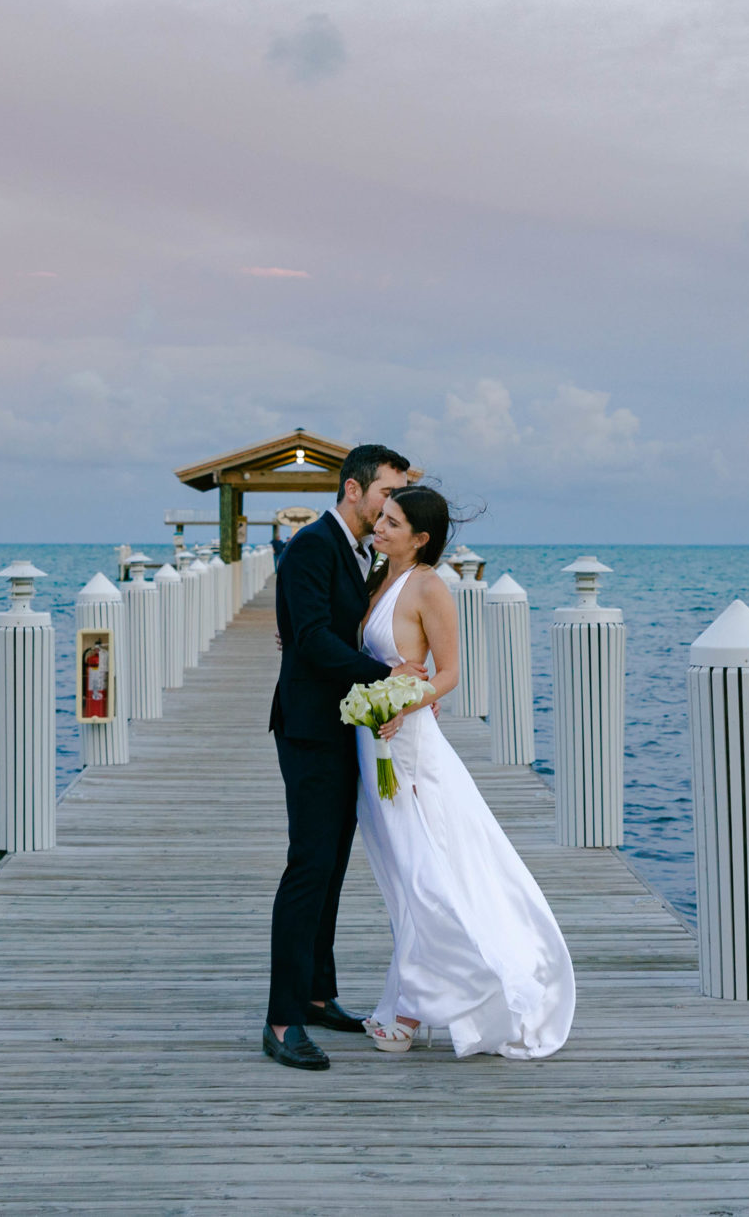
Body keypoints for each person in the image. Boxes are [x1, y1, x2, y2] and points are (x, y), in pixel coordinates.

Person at [353, 484, 574, 1058]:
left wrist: (405, 701)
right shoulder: (379, 576)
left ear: (421, 538)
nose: (380, 527)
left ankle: (416, 1007)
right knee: (400, 874)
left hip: (406, 742)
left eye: (394, 523)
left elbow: (449, 672)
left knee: (424, 872)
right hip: (371, 739)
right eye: (383, 517)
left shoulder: (430, 585)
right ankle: (412, 999)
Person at [262, 442, 413, 1070]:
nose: (391, 505)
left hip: (341, 726)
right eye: (386, 492)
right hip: (309, 729)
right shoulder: (312, 547)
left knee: (331, 869)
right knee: (309, 867)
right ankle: (282, 1019)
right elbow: (313, 638)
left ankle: (319, 996)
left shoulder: (356, 552)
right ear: (353, 489)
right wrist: (389, 673)